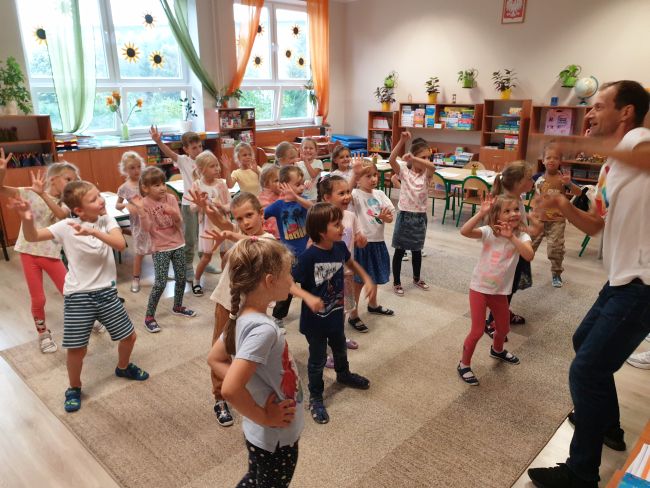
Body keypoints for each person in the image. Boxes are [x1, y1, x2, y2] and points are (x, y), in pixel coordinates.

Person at [528, 80, 650, 488]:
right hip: (621, 278)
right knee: (584, 343)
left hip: (642, 283)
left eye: (599, 106)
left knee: (586, 371)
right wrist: (562, 204)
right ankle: (608, 424)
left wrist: (576, 143)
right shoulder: (612, 165)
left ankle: (581, 475)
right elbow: (597, 224)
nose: (591, 113)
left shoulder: (638, 141)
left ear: (626, 112)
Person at [8, 181, 149, 412]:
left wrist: (93, 231)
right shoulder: (66, 225)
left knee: (129, 337)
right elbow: (33, 236)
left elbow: (120, 244)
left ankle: (123, 367)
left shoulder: (106, 220)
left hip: (107, 293)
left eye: (98, 195)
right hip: (78, 296)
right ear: (79, 210)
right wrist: (26, 218)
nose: (101, 201)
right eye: (93, 199)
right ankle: (74, 387)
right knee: (77, 349)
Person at [195, 191, 322, 427]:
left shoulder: (268, 243)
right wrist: (207, 209)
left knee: (248, 353)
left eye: (249, 215)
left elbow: (260, 249)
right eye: (239, 218)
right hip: (225, 303)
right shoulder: (241, 234)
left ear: (261, 213)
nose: (245, 223)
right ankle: (220, 397)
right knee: (220, 350)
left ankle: (245, 387)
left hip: (251, 310)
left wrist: (306, 296)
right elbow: (223, 224)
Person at [207, 238, 304, 487]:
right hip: (275, 438)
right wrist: (265, 416)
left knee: (255, 478)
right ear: (270, 281)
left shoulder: (242, 316)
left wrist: (251, 390)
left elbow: (214, 358)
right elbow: (230, 389)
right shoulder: (263, 330)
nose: (292, 280)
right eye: (288, 274)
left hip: (261, 434)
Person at [293, 202, 375, 424]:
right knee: (318, 359)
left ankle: (343, 374)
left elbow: (351, 262)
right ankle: (316, 397)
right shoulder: (309, 257)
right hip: (315, 323)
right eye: (337, 225)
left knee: (340, 348)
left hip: (336, 315)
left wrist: (366, 278)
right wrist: (307, 297)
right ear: (321, 231)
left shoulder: (339, 248)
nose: (343, 228)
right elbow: (288, 283)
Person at [0, 155, 79, 353]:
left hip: (51, 254)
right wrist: (2, 171)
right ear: (53, 179)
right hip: (28, 252)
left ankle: (86, 319)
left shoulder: (65, 202)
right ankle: (43, 333)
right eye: (68, 179)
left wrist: (43, 194)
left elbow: (61, 215)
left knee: (69, 292)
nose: (72, 183)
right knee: (38, 299)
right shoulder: (30, 192)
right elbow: (1, 189)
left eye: (74, 180)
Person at [457, 194, 534, 385]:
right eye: (507, 211)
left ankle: (497, 350)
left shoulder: (522, 236)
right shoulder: (489, 232)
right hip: (479, 288)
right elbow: (465, 231)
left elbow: (529, 255)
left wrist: (512, 237)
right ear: (496, 215)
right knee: (477, 331)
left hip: (500, 291)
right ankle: (464, 364)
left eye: (516, 209)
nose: (513, 213)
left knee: (504, 328)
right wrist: (480, 213)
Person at [135, 167, 197, 333]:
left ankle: (177, 306)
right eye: (156, 185)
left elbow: (180, 223)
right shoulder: (145, 203)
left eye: (163, 183)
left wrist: (174, 213)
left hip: (178, 244)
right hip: (160, 248)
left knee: (181, 278)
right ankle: (149, 317)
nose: (162, 187)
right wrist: (142, 213)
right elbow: (147, 228)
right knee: (160, 283)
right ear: (145, 188)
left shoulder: (170, 198)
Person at [149, 126, 215, 281]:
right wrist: (158, 141)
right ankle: (188, 266)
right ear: (186, 149)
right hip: (189, 205)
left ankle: (204, 261)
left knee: (205, 235)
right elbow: (169, 153)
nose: (198, 150)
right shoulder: (184, 161)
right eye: (194, 148)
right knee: (190, 237)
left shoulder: (206, 159)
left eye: (199, 146)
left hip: (204, 205)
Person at [485, 160, 540, 337]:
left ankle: (504, 313)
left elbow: (519, 227)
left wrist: (531, 229)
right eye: (529, 178)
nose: (532, 181)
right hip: (506, 256)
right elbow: (497, 230)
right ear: (518, 183)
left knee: (510, 287)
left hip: (516, 251)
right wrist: (529, 231)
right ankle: (492, 322)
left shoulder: (517, 200)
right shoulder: (505, 203)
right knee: (503, 289)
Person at [347, 161, 396, 329]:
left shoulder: (380, 194)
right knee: (358, 282)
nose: (373, 179)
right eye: (368, 176)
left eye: (375, 175)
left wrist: (386, 218)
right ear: (358, 179)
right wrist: (354, 174)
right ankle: (353, 314)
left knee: (374, 276)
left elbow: (390, 217)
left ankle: (373, 304)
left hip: (378, 242)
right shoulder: (355, 194)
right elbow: (345, 194)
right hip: (361, 244)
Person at [263, 166, 313, 325]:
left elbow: (313, 208)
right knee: (286, 287)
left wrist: (297, 197)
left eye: (302, 183)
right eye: (297, 184)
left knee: (309, 286)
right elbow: (262, 215)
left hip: (307, 254)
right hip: (288, 256)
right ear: (283, 185)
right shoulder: (278, 205)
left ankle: (310, 314)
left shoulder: (303, 201)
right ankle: (278, 317)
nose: (301, 187)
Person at [388, 131, 435, 296]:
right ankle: (396, 282)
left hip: (420, 218)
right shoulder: (404, 172)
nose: (427, 160)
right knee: (399, 251)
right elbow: (391, 159)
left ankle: (416, 278)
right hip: (405, 216)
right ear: (413, 157)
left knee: (417, 250)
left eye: (428, 157)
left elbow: (432, 167)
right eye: (423, 157)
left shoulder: (427, 174)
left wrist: (415, 158)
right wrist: (401, 141)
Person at [530, 142, 582, 288]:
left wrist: (569, 184)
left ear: (560, 161)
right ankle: (522, 270)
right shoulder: (537, 177)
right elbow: (523, 186)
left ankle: (556, 273)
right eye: (548, 157)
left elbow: (579, 193)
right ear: (543, 160)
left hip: (557, 220)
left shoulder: (563, 178)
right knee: (529, 246)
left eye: (555, 158)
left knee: (556, 248)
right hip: (538, 219)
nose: (551, 160)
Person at [191, 150, 232, 295]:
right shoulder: (197, 185)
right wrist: (200, 205)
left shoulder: (221, 184)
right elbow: (192, 208)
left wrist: (222, 206)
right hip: (208, 225)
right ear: (202, 169)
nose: (217, 168)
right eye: (212, 166)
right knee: (206, 257)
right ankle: (196, 281)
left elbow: (230, 204)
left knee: (225, 255)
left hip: (222, 223)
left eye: (217, 165)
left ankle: (226, 283)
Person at [116, 151, 151, 293]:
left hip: (152, 220)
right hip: (138, 224)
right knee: (139, 252)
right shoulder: (124, 187)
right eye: (132, 168)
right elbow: (117, 205)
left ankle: (162, 272)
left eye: (138, 167)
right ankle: (136, 278)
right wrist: (126, 205)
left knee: (157, 249)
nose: (136, 170)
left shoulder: (147, 181)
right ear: (125, 170)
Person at [258, 165, 281, 238]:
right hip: (274, 237)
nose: (281, 183)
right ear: (266, 184)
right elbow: (274, 225)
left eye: (282, 179)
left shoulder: (279, 194)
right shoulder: (264, 201)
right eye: (276, 180)